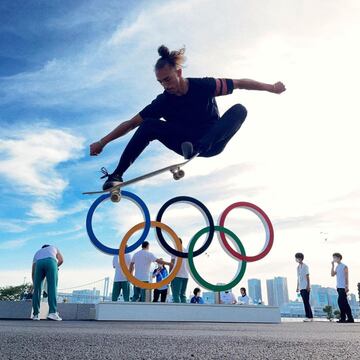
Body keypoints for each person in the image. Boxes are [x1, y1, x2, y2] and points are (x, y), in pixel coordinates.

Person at [89, 45, 286, 190]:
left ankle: (200, 145)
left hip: (212, 140)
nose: (166, 86)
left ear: (179, 72)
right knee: (148, 125)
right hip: (184, 142)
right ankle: (117, 175)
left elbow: (241, 83)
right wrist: (102, 141)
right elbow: (132, 124)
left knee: (240, 109)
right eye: (160, 82)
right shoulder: (163, 101)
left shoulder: (205, 86)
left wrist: (271, 88)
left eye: (168, 79)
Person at [31, 244, 63, 321]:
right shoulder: (54, 247)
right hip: (51, 262)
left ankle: (35, 315)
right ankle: (52, 313)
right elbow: (61, 260)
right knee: (52, 287)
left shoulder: (37, 252)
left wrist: (34, 283)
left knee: (37, 290)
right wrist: (56, 267)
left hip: (39, 264)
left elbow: (33, 271)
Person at [331, 253, 354, 323]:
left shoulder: (344, 266)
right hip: (338, 287)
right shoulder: (337, 267)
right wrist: (332, 266)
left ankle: (349, 318)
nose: (334, 259)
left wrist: (346, 286)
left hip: (343, 287)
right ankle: (344, 318)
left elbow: (346, 277)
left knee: (342, 303)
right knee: (342, 303)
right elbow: (332, 274)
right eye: (333, 258)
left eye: (335, 257)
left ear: (339, 258)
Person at [295, 252, 313, 322]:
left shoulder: (305, 266)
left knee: (306, 302)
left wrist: (308, 286)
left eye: (297, 258)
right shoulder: (298, 267)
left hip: (305, 286)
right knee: (305, 302)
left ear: (301, 258)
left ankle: (309, 316)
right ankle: (310, 317)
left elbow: (307, 276)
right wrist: (297, 287)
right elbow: (298, 278)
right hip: (301, 287)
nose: (296, 259)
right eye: (296, 258)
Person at [170, 239, 189, 303]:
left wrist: (169, 276)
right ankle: (185, 311)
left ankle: (176, 311)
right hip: (186, 275)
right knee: (183, 295)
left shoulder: (174, 251)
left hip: (176, 275)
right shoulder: (186, 250)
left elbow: (172, 264)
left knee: (175, 295)